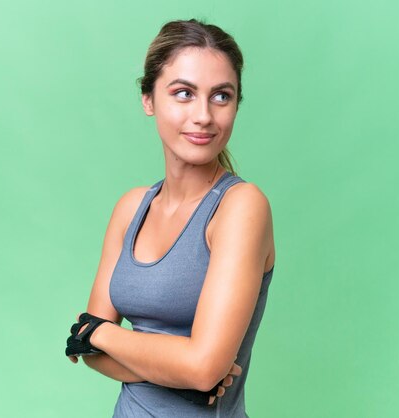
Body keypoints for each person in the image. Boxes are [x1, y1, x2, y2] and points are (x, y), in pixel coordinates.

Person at [65, 19, 275, 417]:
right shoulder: (131, 207)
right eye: (183, 93)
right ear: (148, 99)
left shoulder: (241, 207)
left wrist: (102, 332)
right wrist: (183, 371)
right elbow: (90, 353)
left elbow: (203, 367)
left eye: (221, 96)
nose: (203, 116)